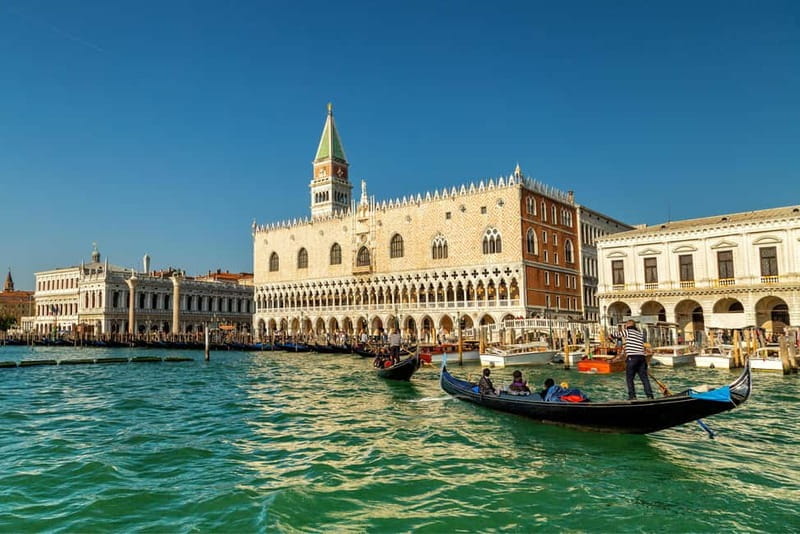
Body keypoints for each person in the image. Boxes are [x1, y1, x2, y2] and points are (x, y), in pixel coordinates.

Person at [609, 320, 654, 400]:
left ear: (628, 325)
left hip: (632, 358)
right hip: (642, 358)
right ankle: (650, 396)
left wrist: (611, 336)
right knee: (644, 378)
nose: (625, 326)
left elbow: (616, 334)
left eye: (626, 325)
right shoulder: (640, 334)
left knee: (629, 378)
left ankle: (632, 397)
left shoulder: (628, 331)